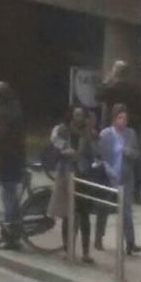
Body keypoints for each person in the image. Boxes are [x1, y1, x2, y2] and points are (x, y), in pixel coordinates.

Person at [48, 107, 99, 263]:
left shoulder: (88, 132)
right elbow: (54, 148)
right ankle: (67, 248)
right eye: (75, 115)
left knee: (84, 213)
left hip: (83, 174)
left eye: (81, 115)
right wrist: (64, 152)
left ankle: (85, 252)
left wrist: (93, 139)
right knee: (68, 213)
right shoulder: (63, 130)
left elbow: (94, 154)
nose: (78, 118)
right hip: (67, 173)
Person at [98, 104, 141, 255]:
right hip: (109, 176)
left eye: (125, 118)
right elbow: (101, 156)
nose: (123, 121)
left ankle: (130, 242)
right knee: (104, 207)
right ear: (114, 118)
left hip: (126, 177)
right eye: (120, 118)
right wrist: (106, 169)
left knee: (126, 211)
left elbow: (137, 154)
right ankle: (99, 237)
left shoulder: (131, 134)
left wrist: (128, 152)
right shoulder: (106, 135)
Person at [0, 82, 26, 250]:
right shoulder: (15, 110)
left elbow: (1, 136)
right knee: (10, 196)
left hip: (7, 159)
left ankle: (10, 236)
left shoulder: (3, 113)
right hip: (15, 158)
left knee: (9, 198)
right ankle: (12, 233)